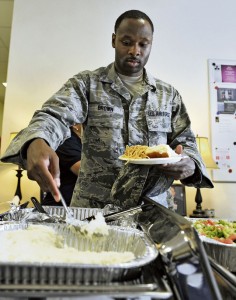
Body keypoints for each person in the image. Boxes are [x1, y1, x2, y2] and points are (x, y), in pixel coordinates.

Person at [1, 10, 213, 210]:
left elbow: (186, 142)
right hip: (95, 212)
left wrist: (190, 164)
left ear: (151, 45)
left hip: (152, 211)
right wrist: (37, 140)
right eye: (126, 42)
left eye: (143, 44)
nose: (134, 51)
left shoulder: (168, 95)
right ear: (114, 40)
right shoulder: (87, 84)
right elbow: (53, 115)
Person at [41, 124, 82, 206]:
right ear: (74, 125)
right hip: (59, 207)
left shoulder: (79, 141)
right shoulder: (67, 139)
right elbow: (83, 171)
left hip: (68, 204)